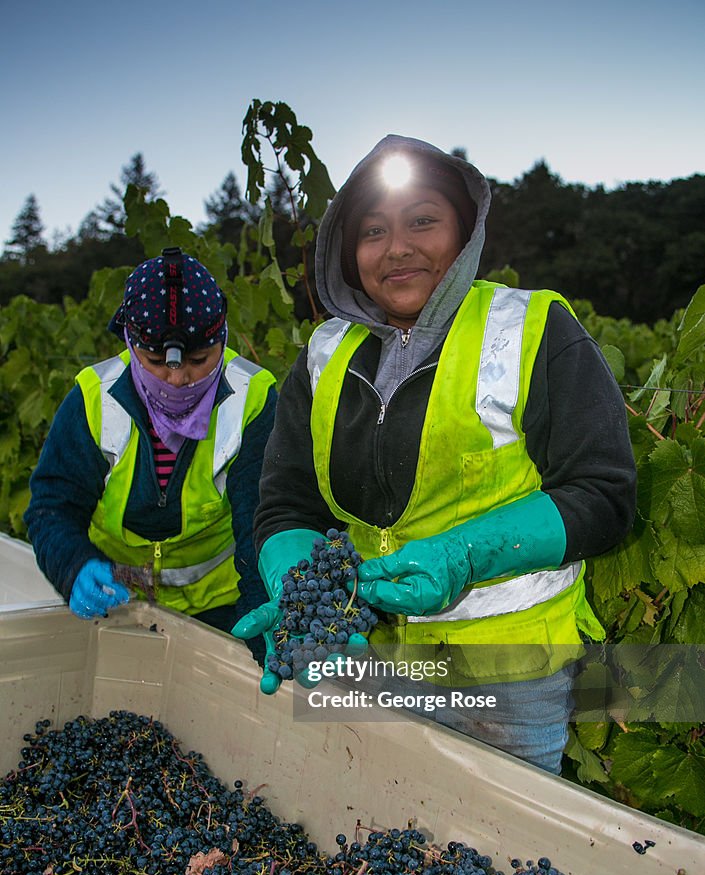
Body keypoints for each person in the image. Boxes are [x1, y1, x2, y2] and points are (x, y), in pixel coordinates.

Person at [233, 137, 637, 772]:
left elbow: (604, 495)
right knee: (378, 838)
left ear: (464, 233)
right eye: (373, 231)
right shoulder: (322, 357)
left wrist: (463, 555)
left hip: (509, 679)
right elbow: (287, 503)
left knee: (506, 855)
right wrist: (296, 580)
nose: (398, 247)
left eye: (423, 220)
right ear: (349, 252)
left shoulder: (531, 329)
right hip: (369, 662)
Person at [25, 247, 276, 655]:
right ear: (131, 342)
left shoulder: (253, 400)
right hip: (120, 608)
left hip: (223, 615)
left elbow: (260, 526)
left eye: (198, 360)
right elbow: (51, 508)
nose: (177, 379)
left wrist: (262, 629)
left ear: (223, 338)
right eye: (157, 361)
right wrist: (74, 566)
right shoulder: (93, 400)